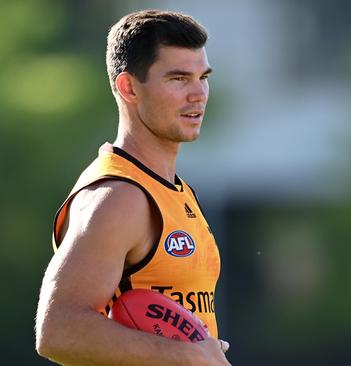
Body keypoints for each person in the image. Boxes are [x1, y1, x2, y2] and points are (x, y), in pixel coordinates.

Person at [35, 10, 231, 365]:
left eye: (203, 77)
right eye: (178, 78)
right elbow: (57, 330)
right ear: (128, 87)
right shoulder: (118, 197)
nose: (198, 93)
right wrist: (185, 356)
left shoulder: (175, 191)